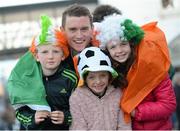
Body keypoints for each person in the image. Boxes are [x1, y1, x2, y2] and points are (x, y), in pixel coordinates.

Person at [93, 14, 176, 130]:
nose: (119, 51)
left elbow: (168, 104)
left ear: (131, 44)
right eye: (113, 47)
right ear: (107, 50)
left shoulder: (152, 66)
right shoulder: (109, 73)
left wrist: (136, 111)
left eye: (123, 44)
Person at [7, 15, 78, 130]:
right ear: (36, 56)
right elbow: (19, 111)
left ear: (63, 55)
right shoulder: (26, 79)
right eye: (45, 52)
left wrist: (66, 117)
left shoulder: (70, 78)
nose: (50, 56)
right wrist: (32, 118)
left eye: (55, 51)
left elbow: (81, 110)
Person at [69, 47, 131, 130]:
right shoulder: (77, 98)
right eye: (91, 77)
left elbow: (124, 125)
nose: (98, 81)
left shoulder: (117, 94)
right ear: (85, 79)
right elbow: (79, 127)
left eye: (102, 75)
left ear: (109, 75)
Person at [61, 4, 96, 72]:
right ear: (62, 31)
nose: (79, 36)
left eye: (84, 29)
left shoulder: (108, 54)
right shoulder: (53, 57)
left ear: (92, 29)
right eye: (73, 30)